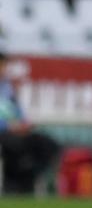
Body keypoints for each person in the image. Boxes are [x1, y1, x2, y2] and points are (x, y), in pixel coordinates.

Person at [0, 53, 60, 194]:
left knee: (48, 144)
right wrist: (8, 126)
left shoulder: (7, 88)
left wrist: (25, 124)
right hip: (4, 132)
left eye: (3, 66)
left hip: (16, 130)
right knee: (14, 145)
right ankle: (15, 183)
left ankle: (30, 175)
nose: (2, 69)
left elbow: (17, 111)